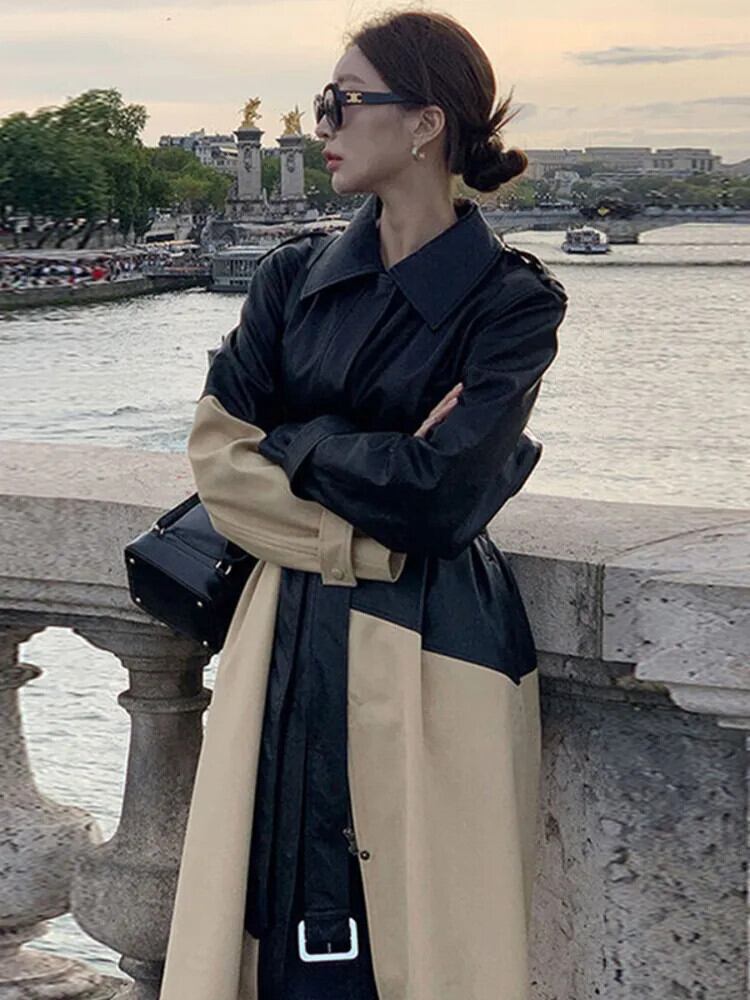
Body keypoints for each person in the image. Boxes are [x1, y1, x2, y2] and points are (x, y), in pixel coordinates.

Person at [159, 9, 568, 1000]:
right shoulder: (290, 276)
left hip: (435, 651)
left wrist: (295, 442)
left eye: (343, 102)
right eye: (321, 103)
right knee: (273, 929)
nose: (322, 126)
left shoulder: (515, 302)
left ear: (426, 124)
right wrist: (373, 492)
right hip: (289, 632)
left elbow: (442, 500)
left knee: (423, 943)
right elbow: (218, 462)